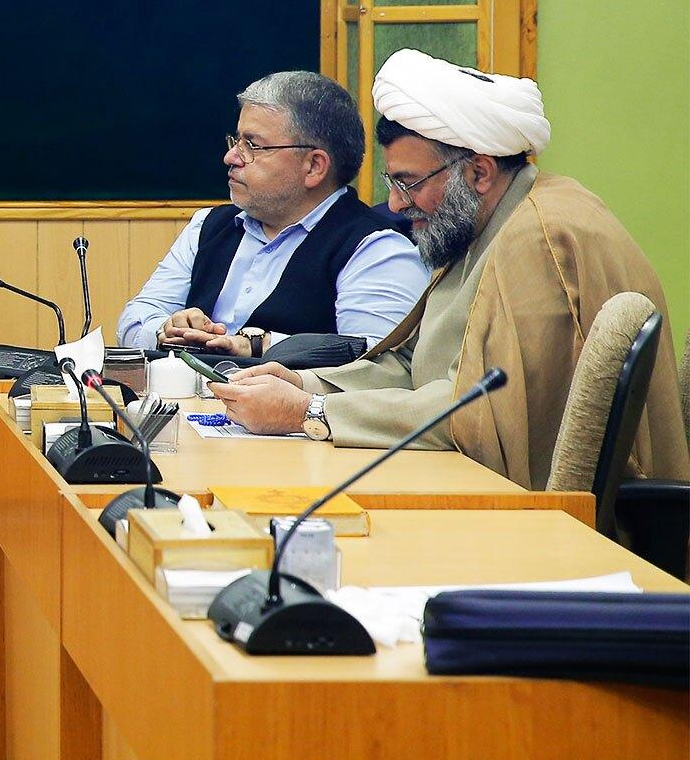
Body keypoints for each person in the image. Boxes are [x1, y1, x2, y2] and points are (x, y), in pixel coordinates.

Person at [212, 50, 690, 490]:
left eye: (409, 183)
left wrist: (311, 413)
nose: (395, 204)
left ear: (479, 172)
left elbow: (483, 414)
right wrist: (303, 385)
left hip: (576, 524)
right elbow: (413, 364)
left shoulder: (538, 239)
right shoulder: (479, 221)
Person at [119, 72, 425, 358]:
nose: (231, 157)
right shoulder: (207, 226)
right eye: (236, 141)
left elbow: (373, 358)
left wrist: (259, 345)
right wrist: (166, 330)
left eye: (252, 145)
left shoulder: (376, 249)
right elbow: (133, 322)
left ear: (314, 166)